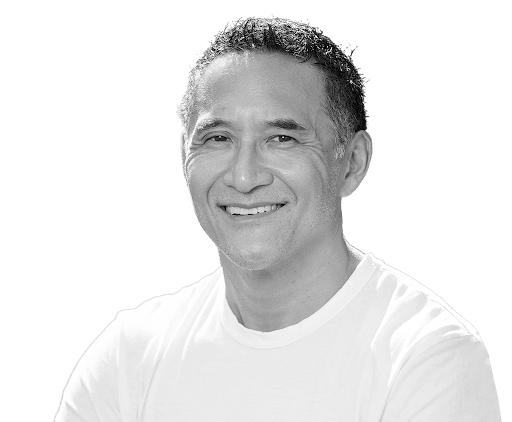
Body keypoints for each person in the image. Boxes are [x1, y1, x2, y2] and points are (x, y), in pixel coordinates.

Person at [55, 16, 501, 421]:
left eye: (282, 138)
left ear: (353, 163)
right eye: (218, 138)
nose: (244, 176)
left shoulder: (426, 354)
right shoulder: (127, 358)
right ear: (184, 154)